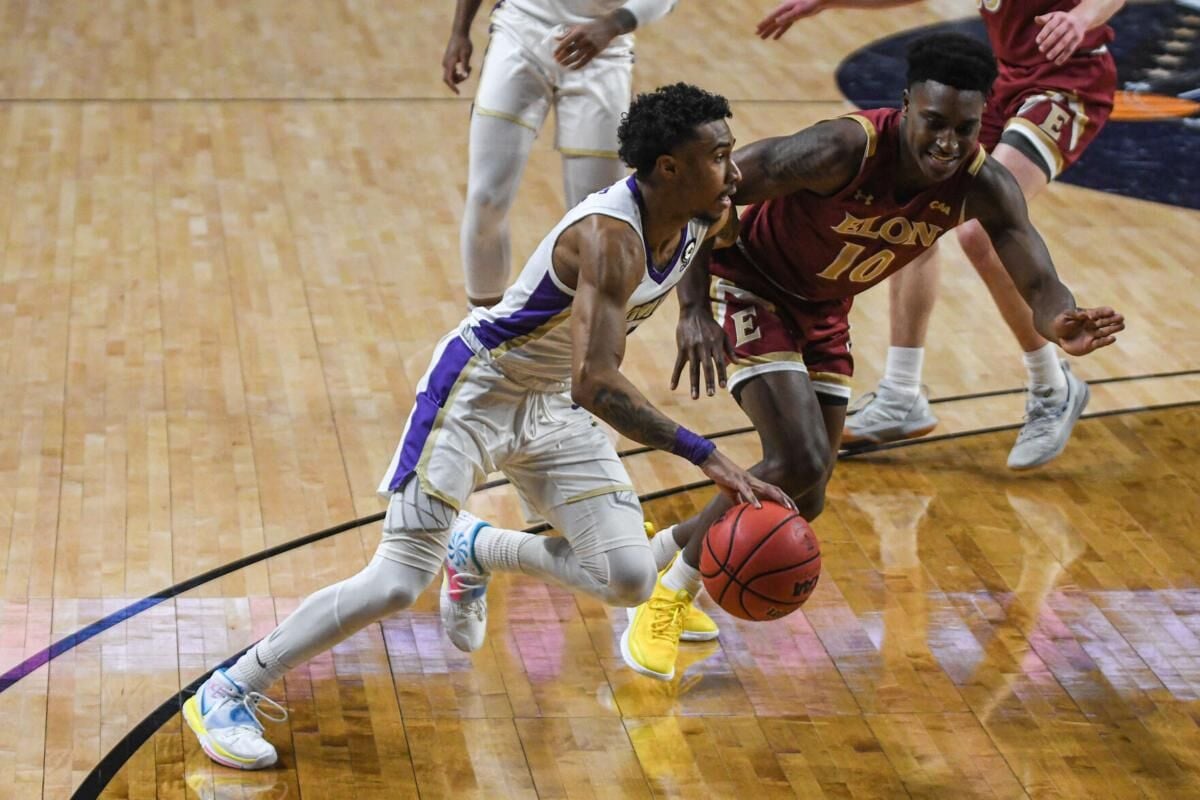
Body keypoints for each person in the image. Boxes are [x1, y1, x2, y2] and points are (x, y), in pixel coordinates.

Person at [182, 83, 792, 769]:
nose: (735, 172)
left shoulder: (703, 213)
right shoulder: (609, 238)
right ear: (669, 168)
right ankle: (230, 689)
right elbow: (595, 382)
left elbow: (720, 243)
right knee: (395, 585)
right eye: (719, 157)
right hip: (478, 393)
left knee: (627, 579)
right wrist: (704, 454)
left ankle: (474, 547)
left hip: (552, 405)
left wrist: (694, 309)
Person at [622, 34, 1124, 681]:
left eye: (965, 129)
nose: (948, 143)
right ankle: (665, 599)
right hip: (748, 280)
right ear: (907, 104)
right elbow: (707, 194)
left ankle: (659, 550)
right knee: (795, 456)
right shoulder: (840, 148)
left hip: (824, 309)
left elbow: (1037, 278)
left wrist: (1061, 320)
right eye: (934, 124)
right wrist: (691, 307)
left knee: (806, 495)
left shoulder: (983, 186)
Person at [757, 0, 1123, 469]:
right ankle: (903, 393)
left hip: (1067, 82)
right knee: (916, 199)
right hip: (1005, 79)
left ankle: (1053, 384)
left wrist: (1080, 18)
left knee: (979, 232)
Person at [443, 0, 678, 308]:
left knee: (599, 222)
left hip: (603, 49)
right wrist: (459, 31)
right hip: (519, 33)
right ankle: (481, 331)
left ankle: (579, 341)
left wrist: (612, 25)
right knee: (485, 200)